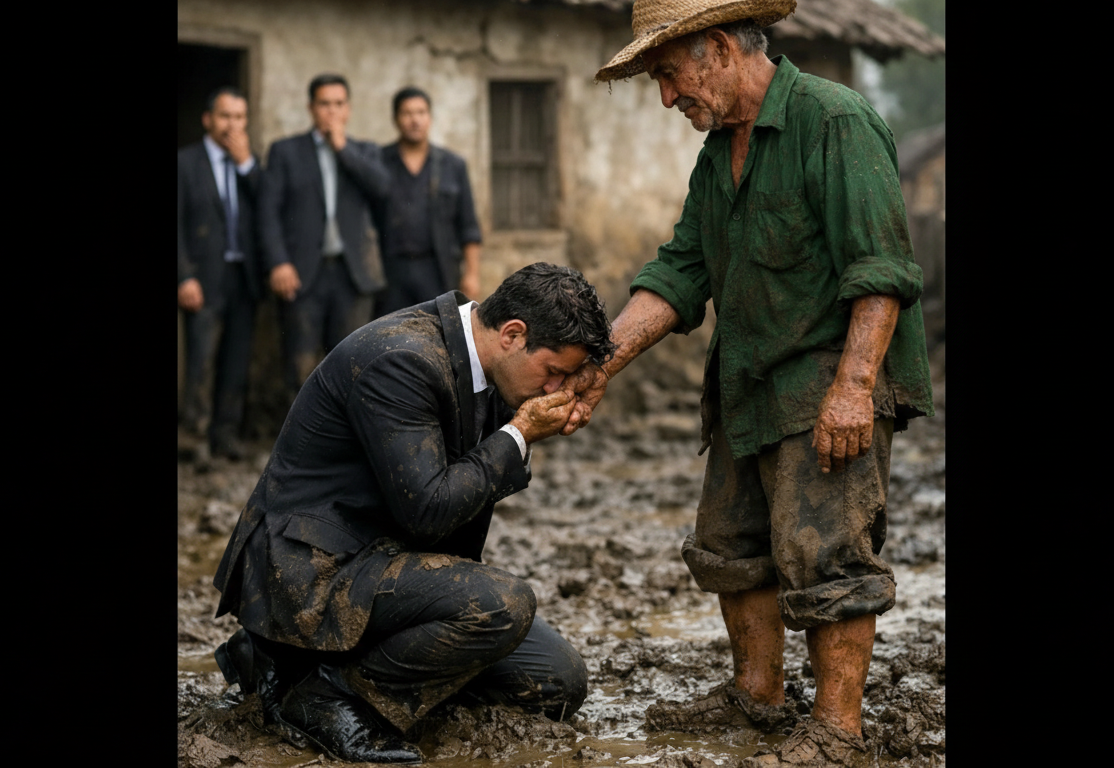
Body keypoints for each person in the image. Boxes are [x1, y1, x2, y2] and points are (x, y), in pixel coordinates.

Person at [568, 2, 936, 765]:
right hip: (748, 379)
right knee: (731, 543)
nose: (667, 98)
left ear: (721, 48)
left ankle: (837, 729)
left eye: (668, 75)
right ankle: (759, 696)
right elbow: (681, 271)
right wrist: (597, 366)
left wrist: (853, 389)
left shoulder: (835, 121)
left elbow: (883, 272)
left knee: (829, 555)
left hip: (827, 380)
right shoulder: (717, 155)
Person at [211, 263, 615, 764]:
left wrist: (571, 385)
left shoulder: (492, 366)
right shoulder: (401, 360)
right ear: (513, 334)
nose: (554, 389)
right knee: (502, 603)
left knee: (557, 681)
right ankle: (328, 696)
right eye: (554, 372)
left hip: (384, 558)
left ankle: (282, 662)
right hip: (313, 569)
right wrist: (518, 436)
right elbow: (428, 510)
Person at [258, 74, 392, 398]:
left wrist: (342, 148)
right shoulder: (285, 151)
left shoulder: (365, 150)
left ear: (348, 109)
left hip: (353, 275)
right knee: (300, 364)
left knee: (352, 364)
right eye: (324, 104)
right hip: (302, 274)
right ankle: (299, 446)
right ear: (311, 108)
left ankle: (344, 445)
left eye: (338, 104)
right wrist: (278, 263)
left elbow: (383, 188)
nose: (331, 111)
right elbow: (268, 213)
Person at [177, 86, 263, 460]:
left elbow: (269, 208)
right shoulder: (185, 162)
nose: (233, 124)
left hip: (244, 277)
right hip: (203, 277)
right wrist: (183, 276)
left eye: (240, 117)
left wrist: (246, 164)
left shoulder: (249, 163)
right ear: (208, 119)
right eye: (226, 116)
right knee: (201, 359)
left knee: (236, 360)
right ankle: (193, 439)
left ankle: (224, 437)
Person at [373, 86, 484, 314]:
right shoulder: (379, 162)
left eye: (421, 113)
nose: (415, 120)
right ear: (396, 119)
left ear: (430, 117)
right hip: (391, 271)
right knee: (391, 337)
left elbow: (469, 225)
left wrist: (471, 274)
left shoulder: (452, 165)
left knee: (439, 335)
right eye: (407, 113)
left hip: (437, 269)